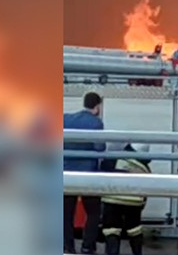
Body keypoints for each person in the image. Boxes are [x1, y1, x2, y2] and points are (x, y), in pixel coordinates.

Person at [63, 92, 106, 254]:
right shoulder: (96, 123)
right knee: (94, 212)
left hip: (66, 174)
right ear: (97, 107)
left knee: (66, 213)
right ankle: (87, 247)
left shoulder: (66, 119)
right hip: (88, 175)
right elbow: (100, 148)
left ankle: (67, 247)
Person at [100, 143, 152, 255]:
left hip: (111, 200)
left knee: (111, 229)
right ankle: (137, 252)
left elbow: (102, 174)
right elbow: (146, 192)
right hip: (134, 202)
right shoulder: (145, 168)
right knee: (134, 229)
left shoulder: (114, 158)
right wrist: (141, 205)